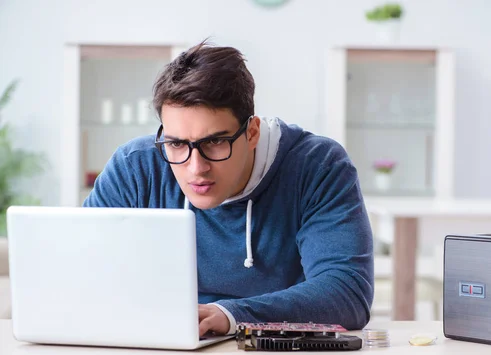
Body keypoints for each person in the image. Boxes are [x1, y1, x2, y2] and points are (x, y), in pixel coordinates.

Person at [83, 40, 374, 336]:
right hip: (164, 350)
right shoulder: (135, 167)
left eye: (215, 142)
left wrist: (231, 315)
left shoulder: (317, 166)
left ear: (252, 133)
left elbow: (347, 293)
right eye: (176, 143)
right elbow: (81, 267)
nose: (196, 168)